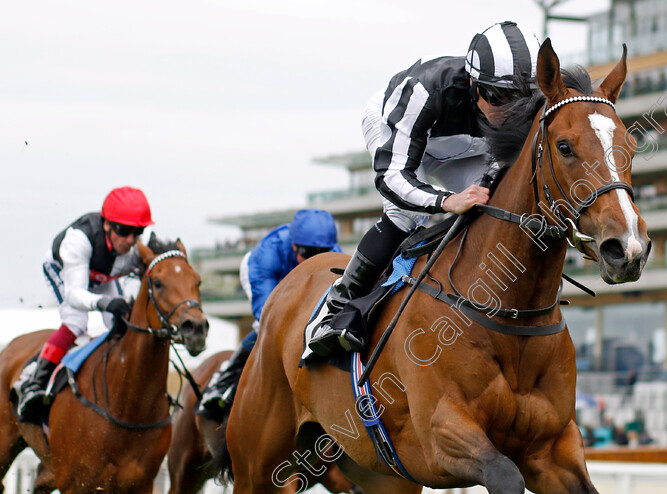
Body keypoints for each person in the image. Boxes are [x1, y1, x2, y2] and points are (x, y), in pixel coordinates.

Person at [306, 21, 541, 356]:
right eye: (497, 97)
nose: (507, 112)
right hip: (405, 132)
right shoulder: (424, 90)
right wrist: (446, 200)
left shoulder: (526, 101)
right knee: (405, 214)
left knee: (494, 205)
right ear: (474, 83)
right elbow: (392, 177)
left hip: (468, 146)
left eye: (520, 101)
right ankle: (337, 308)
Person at [14, 186, 153, 422]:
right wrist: (106, 302)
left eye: (137, 232)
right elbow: (75, 296)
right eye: (124, 230)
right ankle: (34, 381)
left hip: (102, 275)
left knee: (122, 325)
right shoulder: (79, 240)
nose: (131, 240)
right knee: (76, 323)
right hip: (66, 272)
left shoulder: (140, 243)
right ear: (107, 225)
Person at [197, 209, 341, 420]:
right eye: (308, 254)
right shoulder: (267, 256)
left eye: (321, 253)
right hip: (269, 277)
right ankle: (224, 379)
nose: (315, 260)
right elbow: (266, 313)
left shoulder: (333, 253)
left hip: (296, 278)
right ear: (294, 246)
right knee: (268, 327)